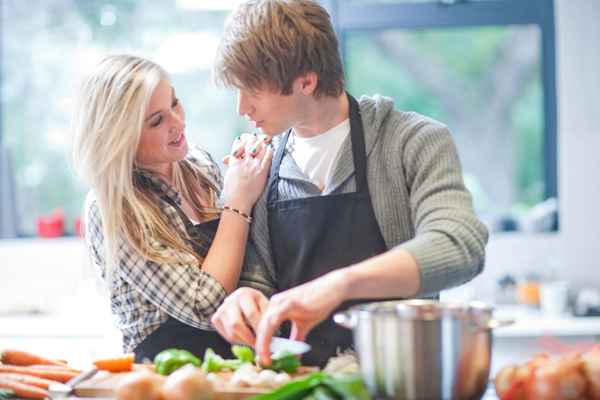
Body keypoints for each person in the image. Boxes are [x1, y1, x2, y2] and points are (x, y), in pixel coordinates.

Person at [210, 0, 490, 367]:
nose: (242, 108)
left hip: (396, 381)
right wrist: (243, 299)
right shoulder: (261, 165)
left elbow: (460, 245)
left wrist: (338, 286)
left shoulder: (413, 141)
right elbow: (259, 279)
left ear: (306, 81)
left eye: (253, 91)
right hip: (299, 383)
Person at [71, 54, 274, 362]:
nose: (178, 123)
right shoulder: (112, 209)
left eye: (175, 103)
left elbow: (241, 252)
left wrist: (251, 171)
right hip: (163, 373)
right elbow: (204, 305)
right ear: (120, 138)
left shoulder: (199, 166)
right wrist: (238, 200)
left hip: (231, 363)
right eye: (156, 121)